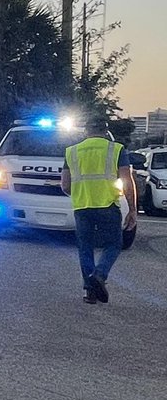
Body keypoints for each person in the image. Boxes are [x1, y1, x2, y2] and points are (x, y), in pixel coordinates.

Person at [60, 116, 137, 305]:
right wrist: (133, 209)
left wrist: (80, 193)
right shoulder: (116, 149)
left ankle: (90, 292)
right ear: (105, 131)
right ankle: (100, 275)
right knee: (114, 244)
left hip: (82, 206)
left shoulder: (72, 151)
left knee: (85, 248)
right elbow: (127, 181)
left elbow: (65, 185)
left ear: (86, 131)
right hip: (107, 205)